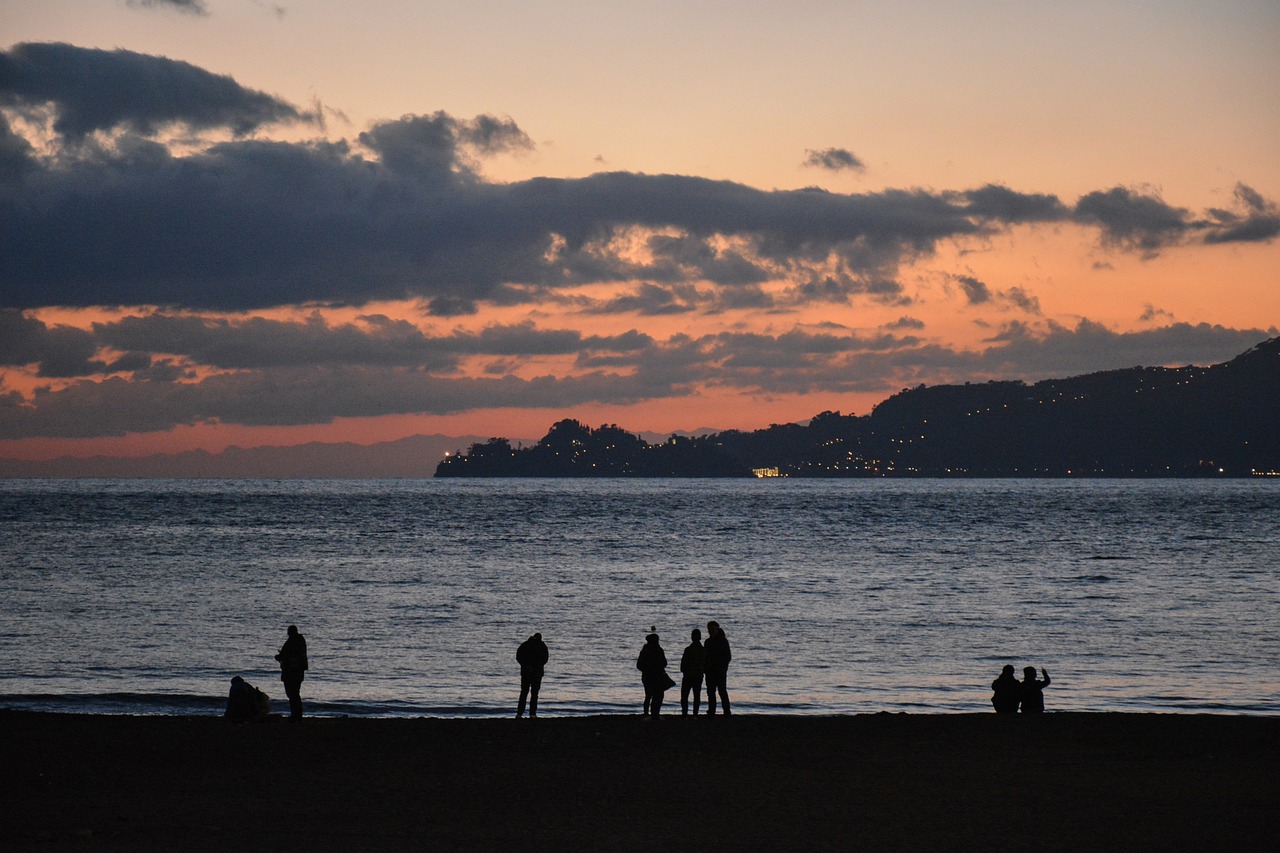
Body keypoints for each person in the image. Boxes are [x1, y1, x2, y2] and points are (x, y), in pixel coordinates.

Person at [274, 624, 308, 721]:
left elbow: (285, 655)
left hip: (291, 672)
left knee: (292, 694)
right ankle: (297, 715)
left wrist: (278, 657)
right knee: (295, 694)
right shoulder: (300, 641)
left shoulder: (291, 642)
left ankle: (295, 715)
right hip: (298, 672)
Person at [636, 631, 673, 717]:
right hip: (657, 676)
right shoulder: (659, 650)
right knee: (658, 695)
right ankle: (655, 713)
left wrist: (646, 670)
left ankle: (646, 714)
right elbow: (664, 663)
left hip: (647, 677)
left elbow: (639, 665)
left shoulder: (644, 650)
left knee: (648, 696)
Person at [516, 632, 549, 719]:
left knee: (524, 693)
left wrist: (526, 666)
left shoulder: (524, 645)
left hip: (526, 672)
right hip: (537, 673)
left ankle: (519, 714)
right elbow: (545, 659)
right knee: (534, 694)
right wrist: (535, 667)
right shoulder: (542, 646)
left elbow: (519, 657)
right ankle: (532, 714)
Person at [704, 620, 732, 715]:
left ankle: (727, 711)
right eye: (709, 629)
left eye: (713, 629)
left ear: (717, 629)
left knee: (722, 691)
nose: (711, 631)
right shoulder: (707, 642)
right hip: (710, 671)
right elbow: (705, 656)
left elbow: (728, 657)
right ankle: (712, 711)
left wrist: (723, 667)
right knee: (711, 692)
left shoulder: (723, 642)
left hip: (720, 671)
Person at [680, 627, 707, 716]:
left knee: (685, 696)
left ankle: (685, 714)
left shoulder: (688, 649)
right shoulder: (703, 650)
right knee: (696, 695)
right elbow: (707, 663)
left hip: (688, 675)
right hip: (698, 675)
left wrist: (684, 670)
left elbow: (683, 663)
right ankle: (695, 714)